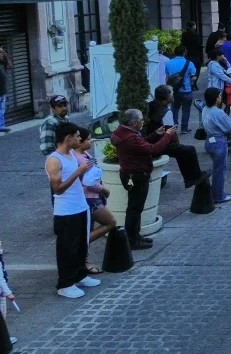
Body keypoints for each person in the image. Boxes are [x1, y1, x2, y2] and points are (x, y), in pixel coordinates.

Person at [44, 123, 101, 298]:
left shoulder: (71, 155)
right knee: (67, 248)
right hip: (66, 211)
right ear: (68, 138)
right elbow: (58, 188)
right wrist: (78, 172)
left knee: (81, 245)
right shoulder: (54, 160)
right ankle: (65, 284)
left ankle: (80, 275)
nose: (79, 139)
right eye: (76, 136)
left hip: (81, 206)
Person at [111, 109, 176, 250]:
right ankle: (132, 240)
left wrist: (154, 135)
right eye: (140, 120)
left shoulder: (122, 132)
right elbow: (153, 149)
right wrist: (167, 135)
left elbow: (140, 145)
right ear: (133, 123)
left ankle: (135, 236)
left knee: (135, 208)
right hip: (137, 176)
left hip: (130, 175)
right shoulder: (130, 138)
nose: (143, 122)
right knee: (135, 209)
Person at [76, 128, 116, 256]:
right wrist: (104, 189)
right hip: (90, 198)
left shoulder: (84, 154)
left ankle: (82, 255)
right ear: (79, 142)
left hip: (91, 197)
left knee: (88, 227)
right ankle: (79, 244)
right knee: (110, 222)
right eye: (88, 139)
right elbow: (89, 182)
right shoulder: (80, 159)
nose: (91, 141)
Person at [200, 87, 231, 204]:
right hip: (219, 141)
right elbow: (229, 127)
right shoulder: (218, 112)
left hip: (209, 140)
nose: (221, 97)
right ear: (216, 98)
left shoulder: (205, 109)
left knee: (217, 169)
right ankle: (218, 195)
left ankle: (216, 193)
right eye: (219, 96)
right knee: (220, 170)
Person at [164, 46, 196, 133]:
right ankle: (184, 128)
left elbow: (167, 77)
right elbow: (193, 77)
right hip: (186, 90)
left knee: (174, 108)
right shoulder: (189, 63)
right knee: (186, 109)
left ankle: (174, 127)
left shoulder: (169, 63)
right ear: (184, 52)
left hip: (174, 90)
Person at [181, 22, 203, 88]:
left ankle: (189, 82)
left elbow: (183, 43)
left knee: (188, 68)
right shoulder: (196, 35)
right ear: (193, 26)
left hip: (188, 54)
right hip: (196, 54)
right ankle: (194, 83)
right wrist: (202, 46)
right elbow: (198, 44)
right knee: (197, 69)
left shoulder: (184, 34)